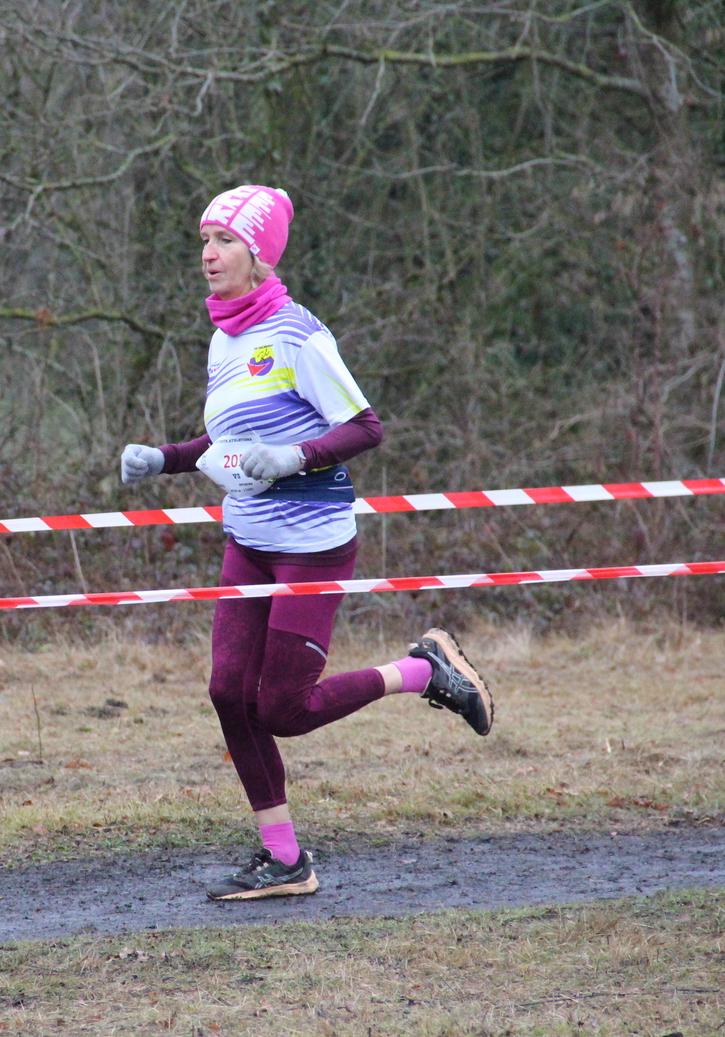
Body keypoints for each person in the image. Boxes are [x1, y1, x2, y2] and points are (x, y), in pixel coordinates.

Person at [118, 185, 495, 901]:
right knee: (228, 692)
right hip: (247, 539)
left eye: (226, 241)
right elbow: (230, 442)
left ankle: (422, 671)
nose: (208, 255)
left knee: (282, 709)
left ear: (259, 256)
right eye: (204, 241)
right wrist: (163, 458)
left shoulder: (298, 335)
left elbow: (365, 428)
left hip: (311, 546)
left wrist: (294, 457)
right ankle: (285, 859)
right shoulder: (223, 338)